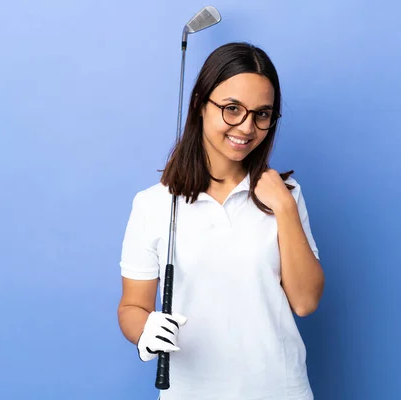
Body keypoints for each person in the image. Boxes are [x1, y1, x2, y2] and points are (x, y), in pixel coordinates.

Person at [117, 41, 325, 400]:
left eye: (262, 114)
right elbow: (132, 306)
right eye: (232, 109)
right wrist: (144, 329)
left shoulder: (285, 196)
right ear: (200, 104)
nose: (246, 128)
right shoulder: (153, 205)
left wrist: (285, 208)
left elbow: (305, 302)